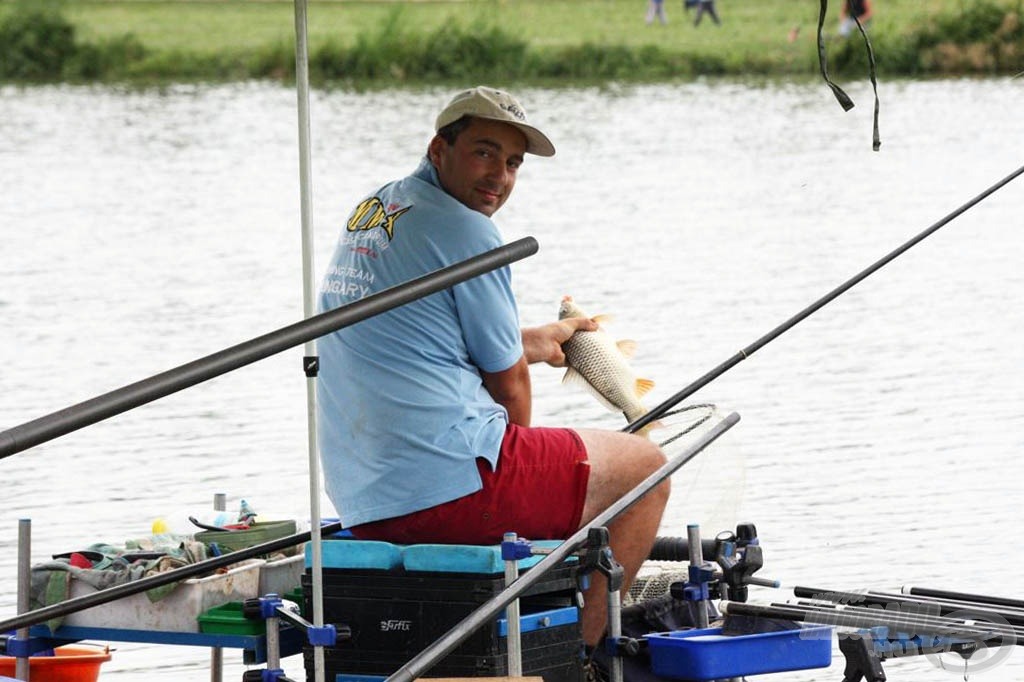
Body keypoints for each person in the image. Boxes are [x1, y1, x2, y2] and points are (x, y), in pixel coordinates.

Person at [316, 86, 670, 649]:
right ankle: (584, 653)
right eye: (483, 152)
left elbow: (421, 336)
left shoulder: (377, 209)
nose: (498, 177)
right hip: (446, 488)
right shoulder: (469, 231)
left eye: (512, 164)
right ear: (440, 148)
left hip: (363, 493)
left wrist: (530, 340)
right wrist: (524, 485)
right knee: (646, 468)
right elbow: (508, 384)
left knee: (594, 469)